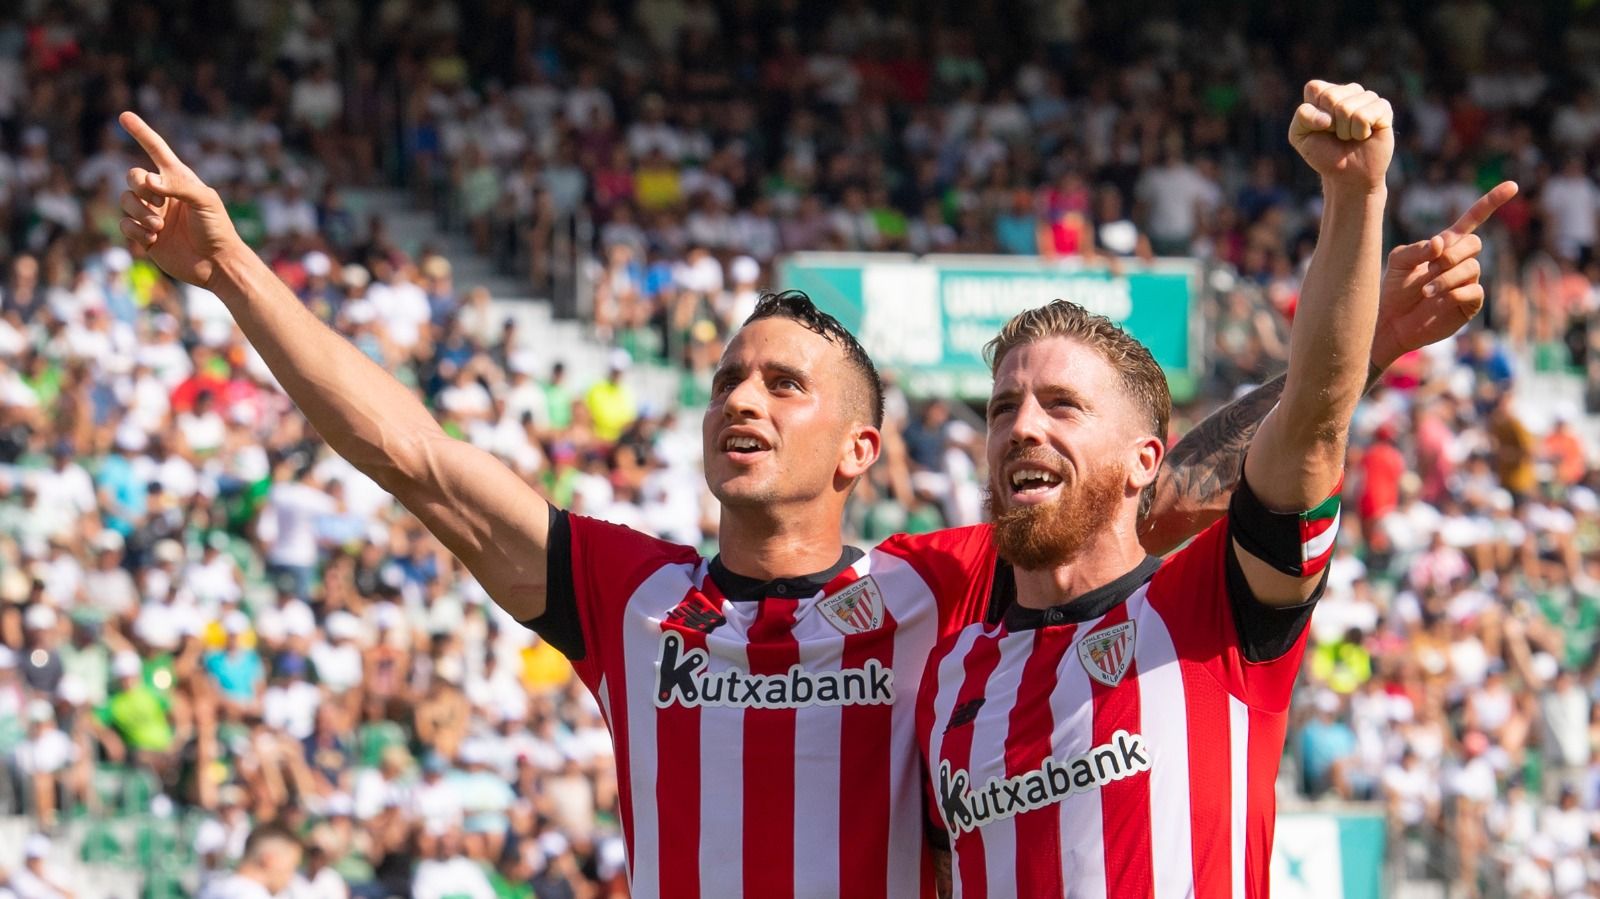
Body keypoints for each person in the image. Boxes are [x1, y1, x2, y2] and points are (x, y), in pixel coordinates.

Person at [115, 107, 1500, 897]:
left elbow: (1160, 485)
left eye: (783, 382)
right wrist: (235, 268)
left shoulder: (946, 592)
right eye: (727, 378)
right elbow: (416, 459)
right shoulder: (633, 597)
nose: (742, 399)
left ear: (860, 448)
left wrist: (1362, 338)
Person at [916, 82, 1513, 896]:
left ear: (1143, 460)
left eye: (1061, 405)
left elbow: (1307, 425)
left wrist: (1353, 195)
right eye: (1001, 408)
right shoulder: (949, 668)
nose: (1021, 426)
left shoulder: (1213, 610)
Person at [197, 821, 303, 899]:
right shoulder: (253, 895)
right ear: (269, 860)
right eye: (291, 867)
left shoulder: (211, 889)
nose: (291, 877)